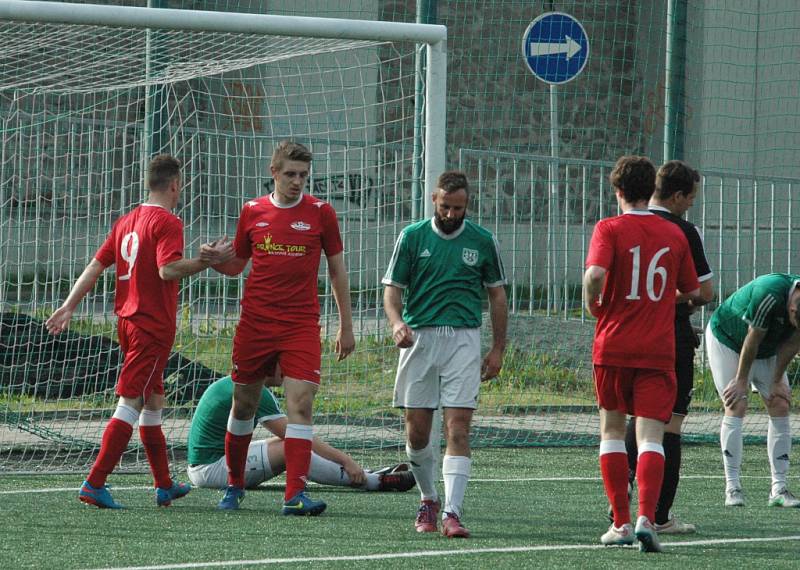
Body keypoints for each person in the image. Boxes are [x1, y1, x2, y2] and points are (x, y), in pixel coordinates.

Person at [46, 154, 211, 509]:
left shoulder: (127, 221)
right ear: (174, 185)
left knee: (154, 402)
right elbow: (168, 270)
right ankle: (95, 481)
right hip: (152, 325)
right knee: (132, 402)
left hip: (127, 321)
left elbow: (95, 264)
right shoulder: (167, 221)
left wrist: (69, 305)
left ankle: (164, 484)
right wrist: (204, 262)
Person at [201, 141, 355, 515]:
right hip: (255, 324)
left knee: (300, 404)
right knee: (244, 405)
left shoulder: (322, 213)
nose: (297, 181)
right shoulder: (252, 211)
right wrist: (211, 261)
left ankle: (294, 495)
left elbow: (336, 271)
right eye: (290, 174)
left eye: (303, 175)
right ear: (274, 172)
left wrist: (346, 326)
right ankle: (234, 486)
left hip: (300, 325)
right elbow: (238, 264)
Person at [583, 155, 700, 552]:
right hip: (657, 348)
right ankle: (649, 518)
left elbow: (596, 275)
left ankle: (621, 522)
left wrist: (592, 303)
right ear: (652, 190)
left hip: (613, 344)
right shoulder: (675, 233)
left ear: (617, 192)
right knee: (651, 435)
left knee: (613, 431)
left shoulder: (609, 228)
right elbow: (694, 291)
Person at [382, 170, 507, 539]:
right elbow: (393, 290)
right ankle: (428, 498)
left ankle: (452, 512)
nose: (452, 214)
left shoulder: (483, 241)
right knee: (417, 433)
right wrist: (396, 323)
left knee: (458, 428)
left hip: (464, 341)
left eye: (460, 208)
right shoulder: (412, 236)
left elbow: (497, 295)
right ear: (434, 199)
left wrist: (497, 348)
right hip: (419, 340)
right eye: (447, 206)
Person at [620, 160, 714, 534]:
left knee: (622, 421)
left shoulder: (619, 226)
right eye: (691, 197)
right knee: (668, 426)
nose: (691, 204)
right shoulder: (682, 230)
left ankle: (619, 507)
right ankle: (657, 516)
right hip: (667, 340)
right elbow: (704, 292)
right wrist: (663, 298)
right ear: (677, 196)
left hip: (623, 338)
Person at [186, 374, 416, 493]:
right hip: (210, 471)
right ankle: (373, 481)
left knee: (286, 444)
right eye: (283, 363)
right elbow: (298, 438)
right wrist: (345, 459)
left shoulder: (241, 382)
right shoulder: (257, 392)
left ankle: (366, 473)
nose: (287, 370)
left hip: (209, 465)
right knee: (291, 447)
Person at [706, 273, 800, 508]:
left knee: (780, 402)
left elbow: (793, 342)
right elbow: (752, 339)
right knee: (736, 403)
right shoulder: (769, 293)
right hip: (728, 340)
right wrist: (740, 380)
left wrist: (777, 379)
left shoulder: (797, 311)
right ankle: (733, 487)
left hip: (766, 348)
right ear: (792, 307)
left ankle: (779, 488)